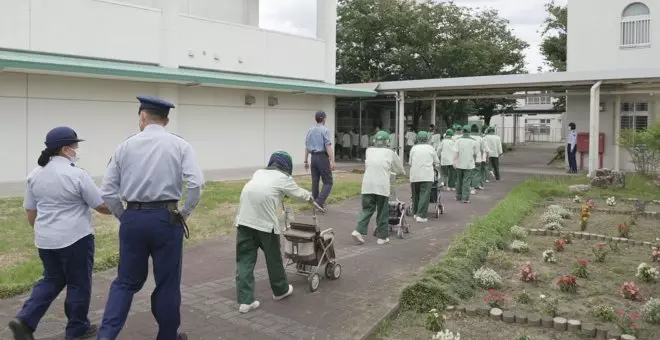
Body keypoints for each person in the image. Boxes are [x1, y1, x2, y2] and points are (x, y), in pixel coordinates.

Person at [97, 96, 204, 340]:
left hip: (133, 217)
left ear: (142, 117)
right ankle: (167, 336)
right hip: (166, 219)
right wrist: (184, 212)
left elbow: (107, 191)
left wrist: (124, 215)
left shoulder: (124, 146)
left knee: (125, 282)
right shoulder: (180, 145)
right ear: (166, 120)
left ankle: (106, 336)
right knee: (167, 283)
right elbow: (197, 183)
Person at [8, 127, 111, 340]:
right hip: (75, 239)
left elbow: (31, 211)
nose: (77, 149)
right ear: (65, 149)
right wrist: (120, 206)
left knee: (51, 279)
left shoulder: (35, 175)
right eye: (75, 146)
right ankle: (77, 330)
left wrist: (44, 231)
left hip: (45, 240)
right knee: (78, 283)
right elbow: (101, 205)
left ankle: (25, 320)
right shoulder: (77, 174)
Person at [234, 151, 321, 314]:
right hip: (265, 225)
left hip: (244, 220)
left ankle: (245, 301)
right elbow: (298, 193)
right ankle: (280, 290)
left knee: (244, 260)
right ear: (286, 167)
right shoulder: (283, 178)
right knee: (273, 258)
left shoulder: (259, 172)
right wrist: (311, 199)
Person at [351, 131, 405, 245]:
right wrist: (400, 172)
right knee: (382, 211)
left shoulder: (369, 151)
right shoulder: (390, 152)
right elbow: (399, 169)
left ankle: (358, 231)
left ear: (374, 141)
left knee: (367, 209)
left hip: (367, 184)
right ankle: (382, 237)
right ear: (387, 142)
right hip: (382, 186)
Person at [304, 111, 335, 208]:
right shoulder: (325, 130)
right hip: (322, 157)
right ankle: (319, 202)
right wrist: (332, 160)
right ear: (324, 118)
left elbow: (307, 146)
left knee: (315, 181)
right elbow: (328, 146)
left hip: (313, 157)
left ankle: (315, 202)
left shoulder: (310, 130)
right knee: (328, 182)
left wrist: (305, 160)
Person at [409, 131, 440, 223]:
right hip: (427, 175)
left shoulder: (413, 148)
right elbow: (436, 162)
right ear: (427, 138)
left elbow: (410, 162)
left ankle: (415, 213)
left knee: (415, 194)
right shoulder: (431, 148)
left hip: (414, 175)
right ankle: (421, 215)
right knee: (424, 195)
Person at [452, 125, 479, 203]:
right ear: (470, 132)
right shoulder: (474, 141)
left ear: (462, 131)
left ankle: (458, 196)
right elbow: (475, 153)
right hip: (469, 164)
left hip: (459, 163)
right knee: (466, 181)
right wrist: (474, 161)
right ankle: (465, 198)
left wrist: (453, 161)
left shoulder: (458, 140)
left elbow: (455, 152)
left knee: (459, 180)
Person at [469, 124, 490, 192]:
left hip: (468, 158)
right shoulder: (480, 139)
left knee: (469, 172)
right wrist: (482, 158)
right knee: (476, 172)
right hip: (477, 158)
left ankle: (470, 186)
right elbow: (482, 149)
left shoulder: (468, 137)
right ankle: (474, 186)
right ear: (478, 130)